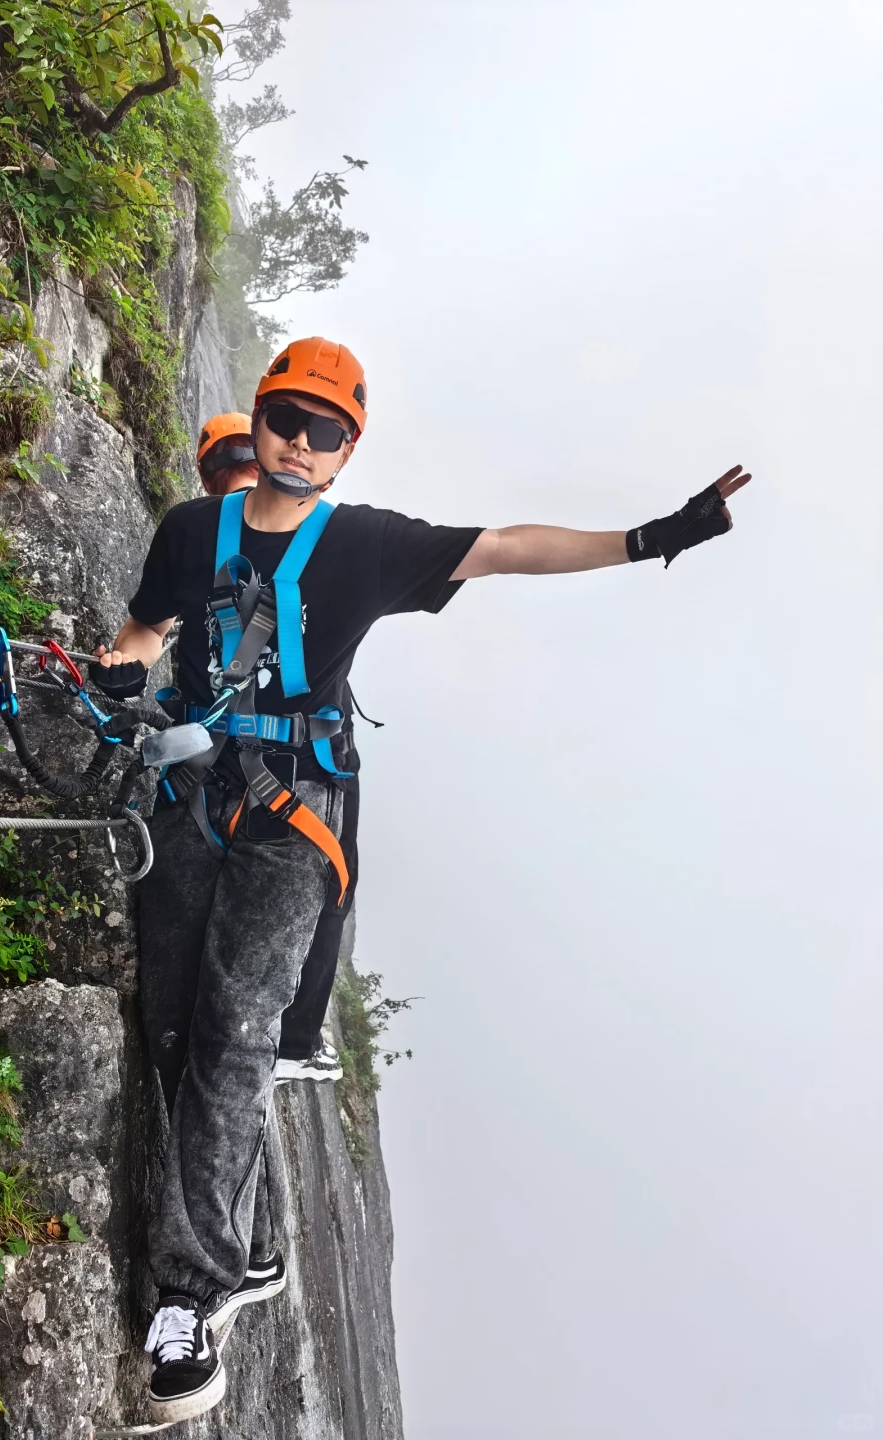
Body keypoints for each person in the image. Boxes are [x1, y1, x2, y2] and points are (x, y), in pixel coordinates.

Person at [90, 336, 752, 1424]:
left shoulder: (362, 546)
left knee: (236, 1026)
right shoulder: (185, 531)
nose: (302, 444)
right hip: (190, 798)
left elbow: (505, 548)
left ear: (350, 451)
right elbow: (149, 629)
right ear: (257, 418)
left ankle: (187, 1298)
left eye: (328, 430)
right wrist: (123, 661)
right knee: (174, 1025)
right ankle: (249, 1247)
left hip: (291, 820)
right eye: (289, 419)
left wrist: (657, 536)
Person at [199, 409, 355, 1084]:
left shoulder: (217, 532)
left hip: (280, 746)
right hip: (299, 752)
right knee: (331, 872)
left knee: (327, 872)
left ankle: (295, 1038)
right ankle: (295, 1039)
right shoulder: (234, 533)